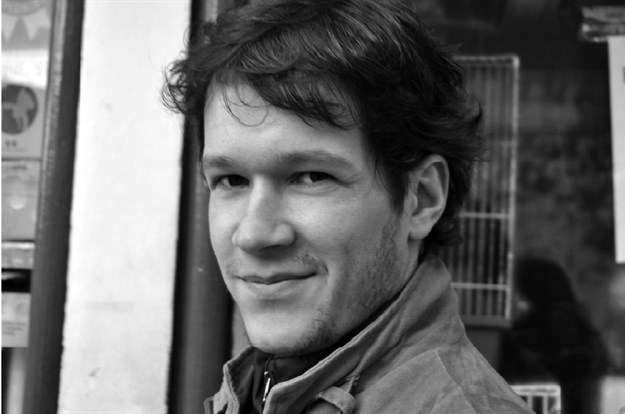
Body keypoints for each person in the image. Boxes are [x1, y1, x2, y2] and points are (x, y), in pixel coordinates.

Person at [164, 0, 534, 413]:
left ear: (422, 199)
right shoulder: (268, 383)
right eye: (232, 180)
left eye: (311, 177)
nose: (253, 235)